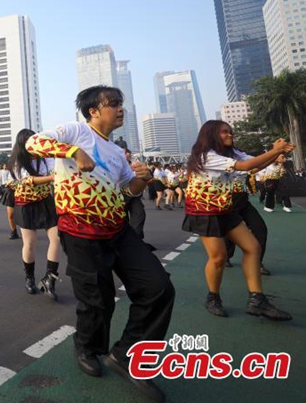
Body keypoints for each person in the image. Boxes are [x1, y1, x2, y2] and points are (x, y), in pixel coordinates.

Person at [27, 86, 173, 402]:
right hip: (80, 231)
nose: (121, 109)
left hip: (118, 229)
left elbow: (125, 191)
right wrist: (73, 151)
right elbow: (33, 142)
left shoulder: (118, 153)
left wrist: (143, 180)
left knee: (158, 287)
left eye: (122, 104)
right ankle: (87, 346)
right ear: (94, 110)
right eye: (114, 104)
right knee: (98, 299)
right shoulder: (76, 131)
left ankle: (127, 355)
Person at [183, 120, 292, 322]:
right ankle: (213, 298)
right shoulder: (206, 156)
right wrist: (275, 150)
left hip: (225, 208)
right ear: (212, 135)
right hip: (204, 211)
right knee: (218, 257)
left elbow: (256, 164)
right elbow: (247, 166)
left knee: (253, 247)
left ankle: (257, 299)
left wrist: (277, 152)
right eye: (224, 132)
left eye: (230, 132)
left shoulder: (233, 153)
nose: (229, 135)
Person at [9, 129, 62, 299]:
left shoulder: (45, 157)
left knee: (57, 238)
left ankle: (49, 279)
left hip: (45, 201)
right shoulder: (17, 161)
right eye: (31, 141)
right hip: (26, 204)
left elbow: (57, 171)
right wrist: (52, 178)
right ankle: (29, 277)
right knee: (30, 243)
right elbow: (27, 180)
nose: (35, 144)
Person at [123, 149, 148, 249]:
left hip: (134, 195)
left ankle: (136, 240)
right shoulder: (116, 164)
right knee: (122, 220)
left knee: (139, 214)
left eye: (129, 152)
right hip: (120, 195)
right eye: (125, 153)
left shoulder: (135, 165)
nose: (128, 154)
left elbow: (144, 176)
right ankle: (123, 242)